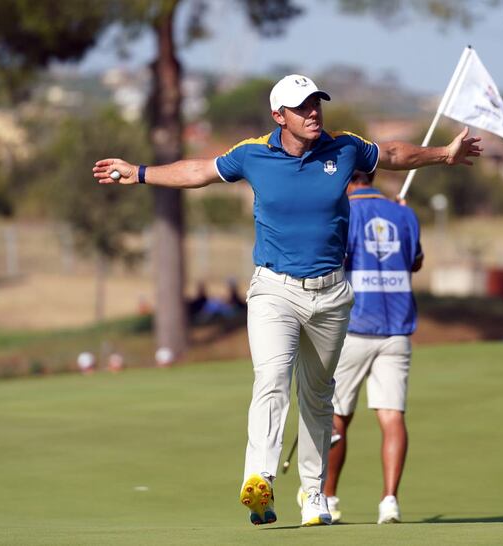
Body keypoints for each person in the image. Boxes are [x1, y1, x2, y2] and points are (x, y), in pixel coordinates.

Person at [93, 74, 482, 527]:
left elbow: (393, 154)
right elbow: (198, 171)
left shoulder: (345, 147)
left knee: (318, 397)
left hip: (332, 294)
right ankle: (259, 480)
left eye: (317, 103)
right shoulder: (253, 154)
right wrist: (138, 173)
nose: (314, 112)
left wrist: (444, 155)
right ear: (279, 117)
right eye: (303, 107)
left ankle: (314, 495)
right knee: (272, 379)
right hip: (274, 290)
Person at [315, 169, 423, 525]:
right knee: (392, 417)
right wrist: (402, 216)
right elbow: (415, 261)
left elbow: (333, 261)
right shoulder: (404, 213)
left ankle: (328, 499)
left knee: (338, 418)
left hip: (355, 329)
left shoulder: (343, 211)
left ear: (347, 177)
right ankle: (389, 501)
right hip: (397, 330)